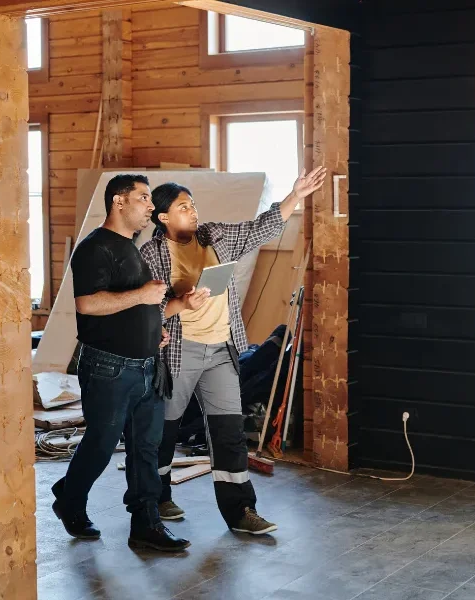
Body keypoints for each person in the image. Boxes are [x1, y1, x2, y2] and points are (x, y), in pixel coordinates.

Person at [140, 167, 327, 535]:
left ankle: (241, 511)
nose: (192, 212)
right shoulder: (152, 253)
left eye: (193, 205)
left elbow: (261, 228)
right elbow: (146, 308)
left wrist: (295, 195)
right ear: (163, 218)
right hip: (179, 351)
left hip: (221, 350)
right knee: (164, 429)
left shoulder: (215, 236)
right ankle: (156, 497)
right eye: (183, 207)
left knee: (228, 432)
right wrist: (182, 301)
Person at [50, 174, 190, 553]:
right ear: (118, 201)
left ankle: (146, 524)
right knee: (101, 443)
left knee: (146, 448)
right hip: (109, 367)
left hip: (147, 365)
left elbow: (134, 307)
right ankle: (71, 498)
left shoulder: (131, 248)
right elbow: (88, 304)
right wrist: (143, 295)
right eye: (143, 198)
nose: (151, 206)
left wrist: (154, 331)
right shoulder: (95, 248)